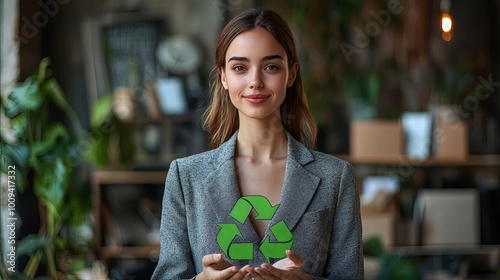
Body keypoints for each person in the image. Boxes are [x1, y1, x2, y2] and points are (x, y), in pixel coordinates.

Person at [151, 8, 363, 280]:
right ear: (223, 77)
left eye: (271, 67)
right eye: (240, 67)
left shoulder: (335, 177)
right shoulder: (186, 177)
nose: (255, 82)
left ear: (291, 74)